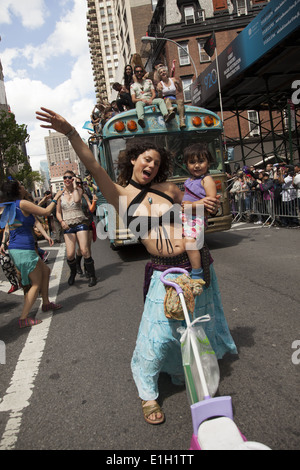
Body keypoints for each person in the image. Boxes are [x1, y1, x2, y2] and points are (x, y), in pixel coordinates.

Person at [36, 107, 238, 425]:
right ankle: (147, 393)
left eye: (156, 162)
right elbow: (91, 164)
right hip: (162, 271)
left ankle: (192, 376)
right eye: (146, 159)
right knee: (156, 337)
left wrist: (205, 207)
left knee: (194, 329)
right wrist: (71, 132)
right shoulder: (120, 196)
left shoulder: (170, 189)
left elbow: (192, 223)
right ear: (132, 159)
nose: (151, 165)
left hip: (195, 266)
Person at [0, 179, 63, 328]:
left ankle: (46, 303)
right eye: (20, 185)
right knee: (35, 283)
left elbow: (9, 228)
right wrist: (56, 197)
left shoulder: (10, 207)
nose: (23, 187)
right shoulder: (22, 203)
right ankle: (23, 318)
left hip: (19, 249)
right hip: (24, 250)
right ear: (16, 190)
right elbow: (46, 212)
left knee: (45, 271)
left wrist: (3, 243)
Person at [181, 144, 216, 279]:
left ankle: (197, 272)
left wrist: (192, 205)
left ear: (208, 162)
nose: (197, 165)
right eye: (192, 162)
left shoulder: (206, 179)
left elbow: (211, 200)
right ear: (186, 164)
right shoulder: (189, 180)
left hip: (197, 217)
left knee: (190, 242)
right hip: (187, 217)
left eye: (201, 161)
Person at [56, 171, 97, 287]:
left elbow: (77, 200)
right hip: (68, 226)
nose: (67, 179)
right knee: (70, 254)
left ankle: (92, 275)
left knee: (84, 250)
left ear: (73, 179)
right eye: (65, 177)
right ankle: (73, 273)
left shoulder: (78, 190)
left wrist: (74, 186)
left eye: (70, 177)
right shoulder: (59, 194)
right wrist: (61, 221)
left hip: (81, 223)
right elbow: (58, 212)